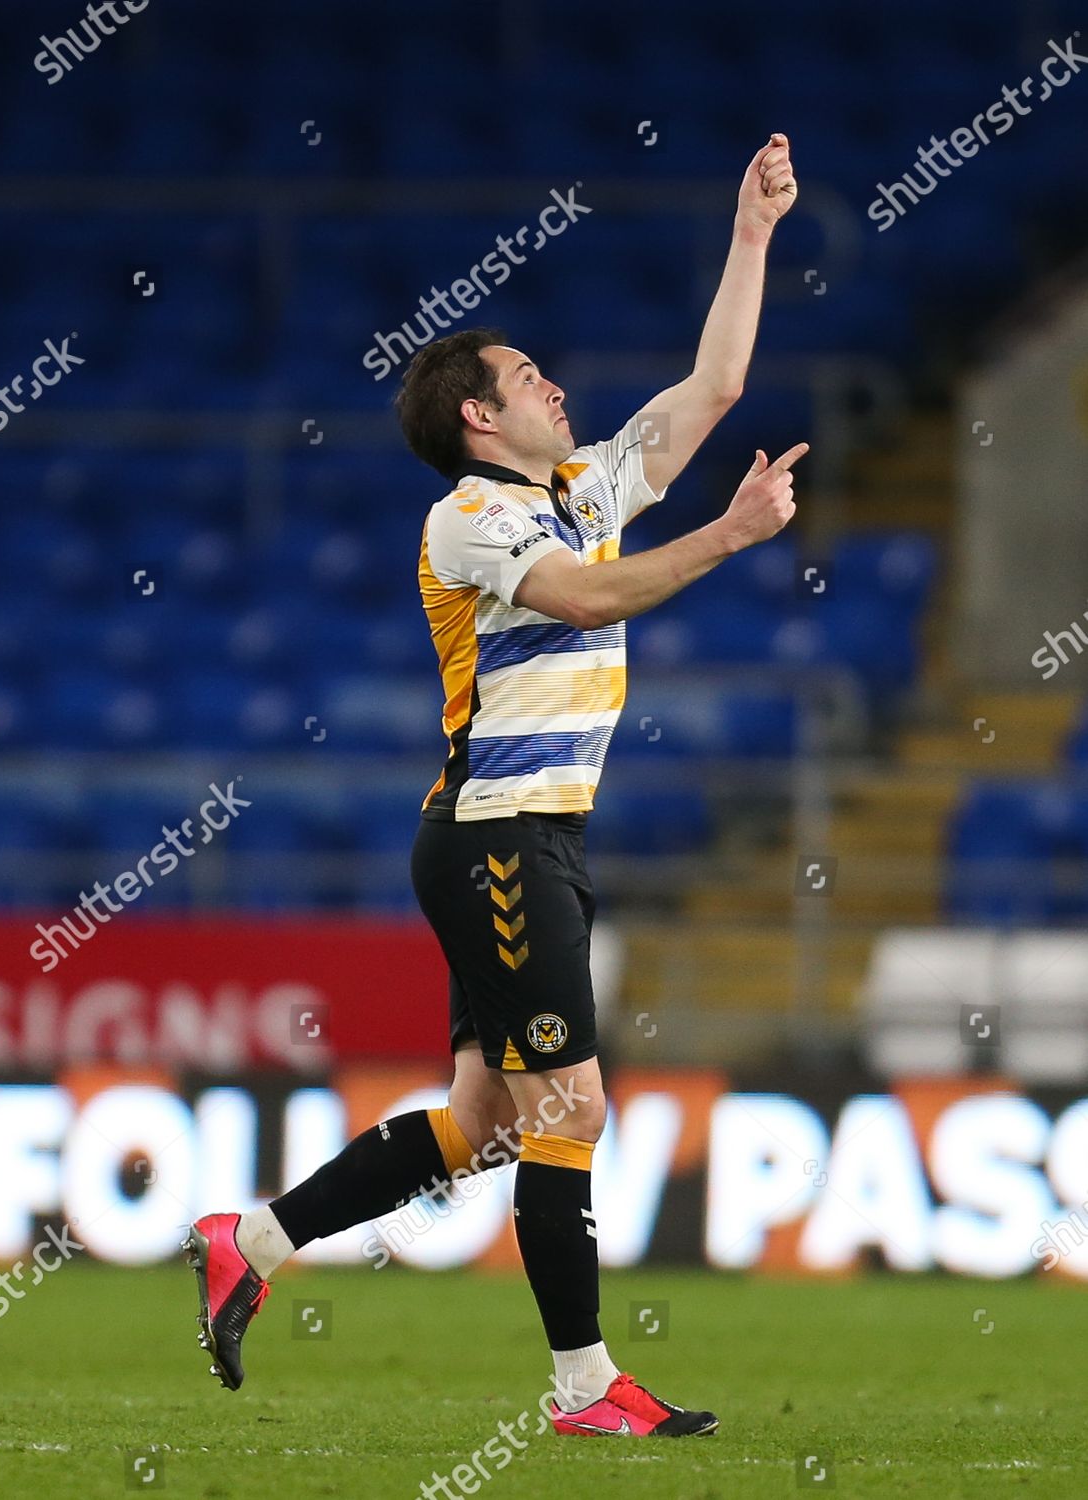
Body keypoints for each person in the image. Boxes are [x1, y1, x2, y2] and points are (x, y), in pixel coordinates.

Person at [184, 132, 802, 1439]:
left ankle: (251, 1238)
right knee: (569, 1104)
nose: (554, 384)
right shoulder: (472, 516)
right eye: (526, 376)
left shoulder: (583, 488)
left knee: (482, 1124)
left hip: (518, 835)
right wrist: (730, 536)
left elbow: (715, 384)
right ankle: (584, 1389)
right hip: (497, 839)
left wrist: (749, 233)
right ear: (479, 416)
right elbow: (581, 598)